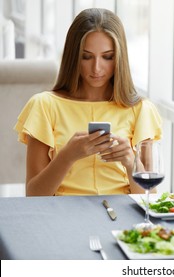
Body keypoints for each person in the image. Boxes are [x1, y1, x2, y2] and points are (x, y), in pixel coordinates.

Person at [14, 8, 162, 196]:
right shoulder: (44, 105)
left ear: (119, 57)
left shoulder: (141, 109)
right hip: (63, 215)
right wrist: (67, 157)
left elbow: (150, 198)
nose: (97, 68)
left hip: (122, 217)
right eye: (86, 56)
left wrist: (130, 161)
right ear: (73, 56)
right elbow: (34, 195)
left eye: (107, 57)